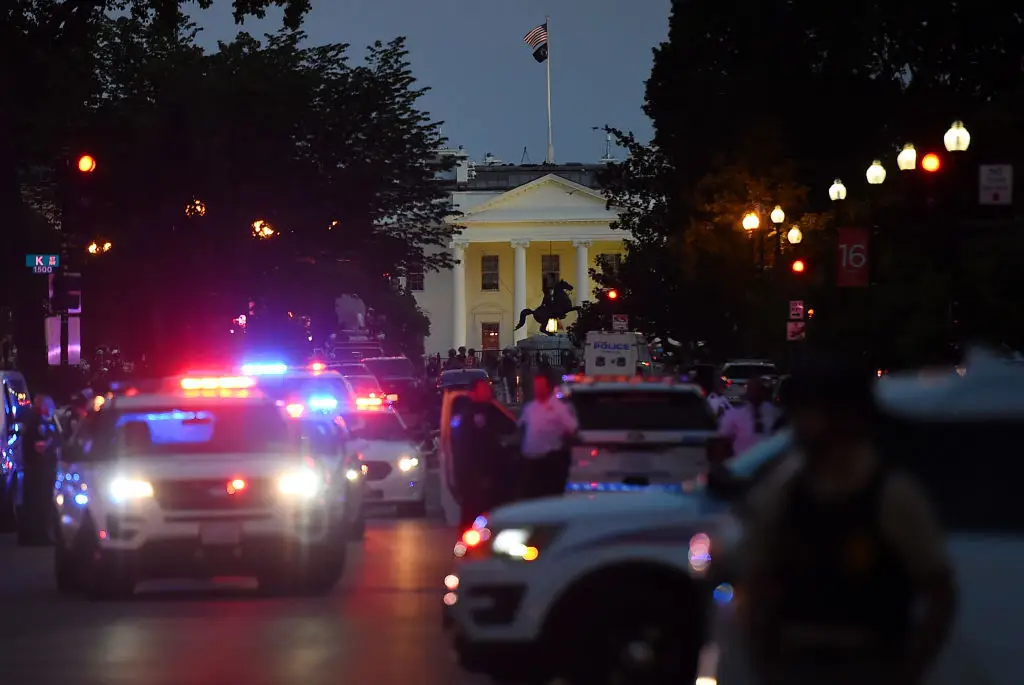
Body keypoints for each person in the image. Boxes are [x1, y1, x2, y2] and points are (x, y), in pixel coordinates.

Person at [738, 357, 956, 685]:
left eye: (814, 411)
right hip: (796, 663)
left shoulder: (892, 497)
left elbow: (941, 592)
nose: (802, 424)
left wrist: (908, 670)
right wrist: (765, 661)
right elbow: (756, 583)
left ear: (849, 417)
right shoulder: (783, 495)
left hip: (868, 663)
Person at [450, 378, 517, 527]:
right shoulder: (466, 415)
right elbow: (463, 448)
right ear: (473, 392)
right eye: (484, 388)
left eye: (488, 388)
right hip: (473, 477)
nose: (488, 391)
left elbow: (511, 426)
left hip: (493, 476)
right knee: (470, 518)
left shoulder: (492, 410)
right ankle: (463, 549)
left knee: (493, 519)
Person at [517, 372, 578, 500]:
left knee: (548, 497)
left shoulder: (559, 408)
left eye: (540, 386)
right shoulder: (530, 407)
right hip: (530, 462)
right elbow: (520, 427)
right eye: (536, 386)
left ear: (548, 387)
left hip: (549, 462)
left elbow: (572, 429)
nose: (537, 389)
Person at [20, 394, 60, 544]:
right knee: (40, 503)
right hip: (39, 469)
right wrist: (52, 441)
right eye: (50, 405)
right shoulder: (37, 421)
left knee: (34, 502)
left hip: (37, 468)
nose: (52, 409)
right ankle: (39, 536)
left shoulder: (35, 419)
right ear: (43, 405)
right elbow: (39, 447)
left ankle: (31, 536)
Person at [719, 377, 779, 454]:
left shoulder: (774, 413)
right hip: (742, 460)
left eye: (758, 390)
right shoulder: (733, 415)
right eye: (752, 390)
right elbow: (723, 439)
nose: (755, 394)